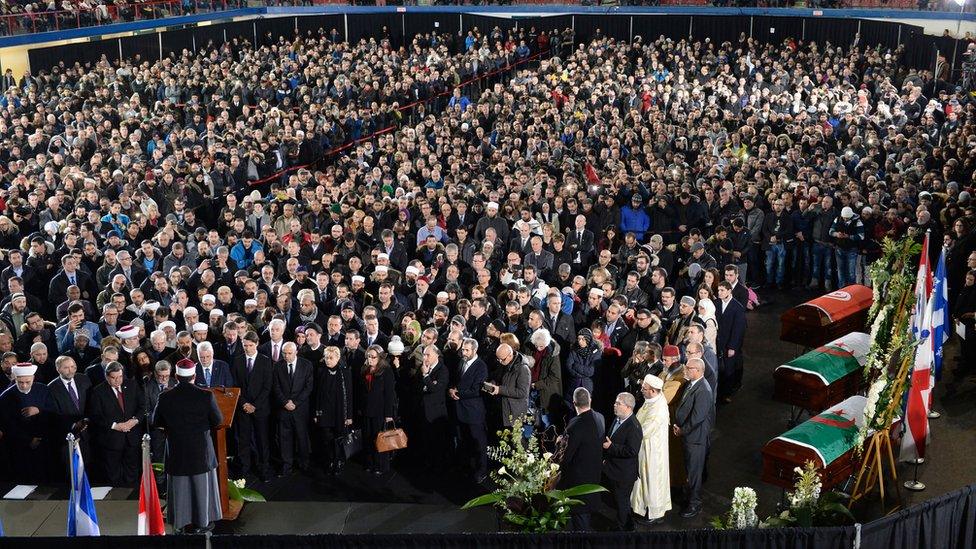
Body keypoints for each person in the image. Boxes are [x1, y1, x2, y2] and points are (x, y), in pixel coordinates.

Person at [152, 358, 224, 534]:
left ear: (176, 376)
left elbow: (155, 421)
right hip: (201, 452)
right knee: (202, 488)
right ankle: (203, 522)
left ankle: (180, 523)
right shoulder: (206, 395)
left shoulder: (165, 397)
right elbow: (218, 420)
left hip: (177, 451)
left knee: (180, 488)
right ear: (194, 375)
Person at [87, 361, 145, 486]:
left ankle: (131, 497)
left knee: (132, 471)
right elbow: (95, 416)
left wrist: (134, 421)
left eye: (120, 377)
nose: (117, 380)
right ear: (107, 376)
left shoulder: (132, 385)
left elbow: (142, 406)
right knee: (113, 473)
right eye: (113, 378)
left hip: (132, 437)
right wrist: (115, 425)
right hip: (111, 440)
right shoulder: (98, 391)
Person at [557, 387, 605, 531]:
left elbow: (566, 457)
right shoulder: (600, 417)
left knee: (580, 522)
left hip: (578, 481)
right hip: (595, 475)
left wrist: (560, 444)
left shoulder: (574, 425)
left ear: (573, 403)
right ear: (590, 400)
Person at [673, 358, 714, 518]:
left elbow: (697, 418)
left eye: (688, 368)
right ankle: (688, 497)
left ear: (697, 370)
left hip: (695, 439)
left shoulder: (703, 390)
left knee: (694, 474)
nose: (685, 370)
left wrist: (682, 430)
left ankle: (694, 504)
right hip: (688, 437)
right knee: (688, 471)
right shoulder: (692, 384)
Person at [0, 363, 54, 483]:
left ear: (33, 379)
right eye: (20, 382)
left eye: (27, 382)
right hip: (20, 445)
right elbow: (7, 425)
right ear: (15, 379)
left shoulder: (43, 390)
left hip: (44, 442)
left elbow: (54, 412)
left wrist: (39, 410)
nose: (24, 385)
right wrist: (28, 440)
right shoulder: (6, 396)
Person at [232, 331, 274, 481]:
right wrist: (244, 403)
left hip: (260, 409)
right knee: (243, 440)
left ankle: (263, 469)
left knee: (262, 440)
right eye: (245, 345)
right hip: (243, 408)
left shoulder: (265, 361)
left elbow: (267, 387)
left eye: (250, 345)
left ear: (257, 344)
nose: (247, 348)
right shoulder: (237, 361)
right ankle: (244, 469)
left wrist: (254, 405)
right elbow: (235, 386)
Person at [630, 374, 671, 524]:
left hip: (653, 452)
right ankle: (642, 507)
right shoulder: (651, 400)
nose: (642, 390)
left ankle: (655, 512)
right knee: (643, 480)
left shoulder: (658, 408)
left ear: (653, 391)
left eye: (644, 388)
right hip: (645, 449)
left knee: (652, 481)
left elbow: (646, 430)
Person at [602, 392, 642, 531]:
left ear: (628, 407)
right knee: (619, 501)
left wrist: (611, 447)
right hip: (614, 470)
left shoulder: (634, 427)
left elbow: (632, 451)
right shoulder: (618, 418)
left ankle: (621, 530)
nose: (614, 405)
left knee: (622, 502)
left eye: (618, 403)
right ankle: (628, 523)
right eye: (615, 402)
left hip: (624, 474)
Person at [47, 356, 92, 478]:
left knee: (87, 466)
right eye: (66, 367)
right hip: (67, 436)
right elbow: (54, 415)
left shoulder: (84, 379)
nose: (70, 370)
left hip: (87, 433)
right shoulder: (51, 388)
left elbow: (91, 403)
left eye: (73, 367)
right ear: (58, 369)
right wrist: (73, 425)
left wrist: (86, 420)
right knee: (71, 470)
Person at [272, 342, 313, 475]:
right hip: (283, 409)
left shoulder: (306, 365)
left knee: (302, 438)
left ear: (296, 352)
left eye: (289, 353)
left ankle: (304, 464)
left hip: (300, 409)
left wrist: (295, 402)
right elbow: (275, 387)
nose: (286, 356)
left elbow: (308, 387)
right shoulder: (277, 366)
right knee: (284, 439)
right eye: (284, 353)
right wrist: (285, 403)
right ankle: (286, 466)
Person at [451, 337, 488, 484]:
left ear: (475, 350)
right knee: (463, 441)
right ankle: (466, 468)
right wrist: (451, 390)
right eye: (463, 349)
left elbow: (477, 389)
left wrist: (457, 393)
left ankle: (481, 471)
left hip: (473, 412)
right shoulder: (462, 362)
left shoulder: (481, 366)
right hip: (460, 411)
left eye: (467, 350)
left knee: (479, 443)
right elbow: (456, 380)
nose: (464, 352)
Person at [313, 346, 353, 475]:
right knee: (326, 438)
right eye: (326, 358)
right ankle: (330, 460)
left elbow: (349, 395)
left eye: (331, 358)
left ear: (337, 358)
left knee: (339, 438)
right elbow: (317, 393)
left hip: (340, 411)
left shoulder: (345, 373)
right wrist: (316, 412)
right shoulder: (321, 371)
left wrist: (349, 416)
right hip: (325, 411)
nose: (328, 360)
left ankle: (338, 460)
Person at [360, 344, 395, 476]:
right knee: (367, 438)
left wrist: (388, 414)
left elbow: (389, 394)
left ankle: (380, 465)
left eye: (373, 357)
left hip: (380, 411)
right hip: (366, 410)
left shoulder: (386, 371)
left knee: (380, 439)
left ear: (380, 358)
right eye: (368, 356)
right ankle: (369, 463)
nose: (370, 359)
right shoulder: (364, 369)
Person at [484, 342, 530, 428]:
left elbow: (522, 392)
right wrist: (492, 384)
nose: (500, 362)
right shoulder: (504, 363)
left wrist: (499, 389)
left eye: (502, 359)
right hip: (501, 409)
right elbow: (497, 378)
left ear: (510, 355)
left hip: (513, 413)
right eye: (498, 359)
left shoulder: (523, 369)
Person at [714, 281, 746, 403]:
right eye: (719, 290)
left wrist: (732, 347)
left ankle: (727, 393)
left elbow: (738, 329)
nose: (719, 293)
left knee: (729, 369)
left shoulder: (737, 307)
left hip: (729, 344)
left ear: (729, 291)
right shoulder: (716, 303)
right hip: (718, 342)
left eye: (722, 290)